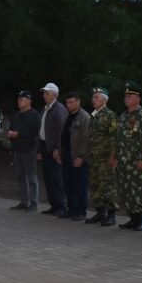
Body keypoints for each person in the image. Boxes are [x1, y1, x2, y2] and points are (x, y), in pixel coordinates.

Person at [114, 81, 142, 231]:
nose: (126, 99)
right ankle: (132, 218)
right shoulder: (124, 115)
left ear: (138, 98)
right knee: (126, 190)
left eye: (129, 96)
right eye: (126, 96)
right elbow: (119, 138)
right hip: (124, 161)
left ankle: (140, 220)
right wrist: (116, 156)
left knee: (137, 190)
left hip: (136, 161)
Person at [86, 87, 119, 226]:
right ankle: (100, 212)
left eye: (96, 97)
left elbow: (115, 139)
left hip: (105, 159)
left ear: (104, 100)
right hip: (94, 158)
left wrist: (112, 157)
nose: (93, 100)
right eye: (93, 97)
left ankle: (111, 215)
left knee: (107, 186)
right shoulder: (94, 115)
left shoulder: (110, 116)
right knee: (95, 186)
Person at [37, 83, 68, 217]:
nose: (44, 95)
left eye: (47, 93)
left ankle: (61, 206)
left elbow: (61, 131)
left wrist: (57, 148)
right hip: (45, 146)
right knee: (48, 177)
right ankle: (54, 205)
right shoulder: (45, 109)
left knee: (56, 177)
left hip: (53, 148)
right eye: (44, 93)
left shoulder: (58, 109)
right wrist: (39, 149)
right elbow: (41, 130)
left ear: (54, 95)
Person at [59, 92, 92, 221]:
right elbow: (62, 135)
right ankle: (71, 209)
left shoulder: (84, 117)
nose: (69, 105)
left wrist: (80, 156)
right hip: (67, 154)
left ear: (78, 101)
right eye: (67, 102)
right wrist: (60, 152)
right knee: (68, 183)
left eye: (72, 102)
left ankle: (81, 211)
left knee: (80, 184)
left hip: (78, 156)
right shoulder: (68, 116)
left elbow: (86, 139)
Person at [7, 90, 41, 212]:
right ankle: (24, 201)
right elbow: (11, 129)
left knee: (31, 177)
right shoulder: (16, 115)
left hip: (29, 149)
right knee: (20, 176)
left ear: (29, 101)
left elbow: (34, 132)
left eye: (22, 99)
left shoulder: (34, 115)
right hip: (17, 150)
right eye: (18, 99)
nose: (19, 101)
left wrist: (18, 134)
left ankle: (34, 202)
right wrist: (10, 133)